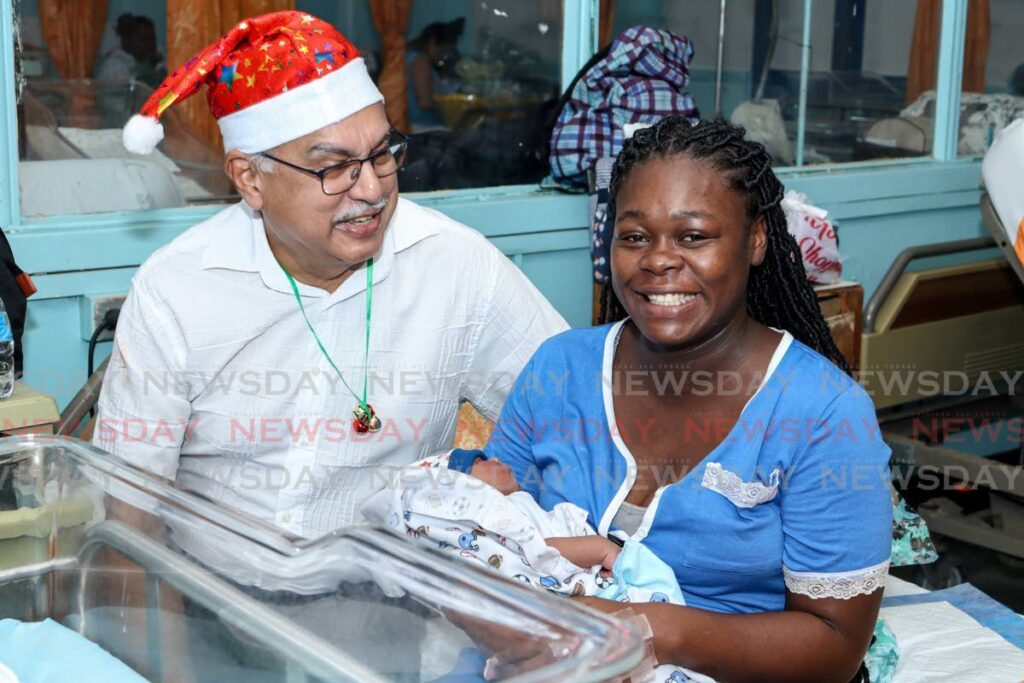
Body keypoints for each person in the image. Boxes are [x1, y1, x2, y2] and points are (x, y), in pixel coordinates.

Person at [96, 10, 566, 582]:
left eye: (382, 154)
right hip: (216, 598)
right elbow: (131, 513)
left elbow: (569, 419)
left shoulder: (458, 266)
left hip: (399, 612)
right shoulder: (178, 289)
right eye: (335, 168)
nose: (370, 189)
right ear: (249, 179)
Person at [486, 116, 891, 681]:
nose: (657, 260)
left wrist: (653, 631)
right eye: (634, 236)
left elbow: (836, 645)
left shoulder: (821, 412)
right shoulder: (561, 369)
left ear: (754, 240)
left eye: (693, 236)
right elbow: (485, 532)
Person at [406, 18, 464, 128]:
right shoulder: (421, 62)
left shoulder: (412, 57)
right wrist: (453, 106)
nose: (442, 56)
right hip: (423, 126)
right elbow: (425, 103)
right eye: (442, 51)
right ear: (432, 43)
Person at [95, 13, 166, 87]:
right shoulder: (113, 66)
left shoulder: (149, 62)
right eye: (143, 39)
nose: (150, 44)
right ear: (128, 41)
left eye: (152, 39)